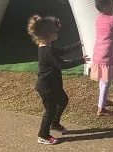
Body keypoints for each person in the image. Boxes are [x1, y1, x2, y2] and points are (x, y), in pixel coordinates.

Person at [27, 14, 89, 145]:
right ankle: (43, 135)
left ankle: (54, 124)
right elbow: (62, 65)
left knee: (63, 100)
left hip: (53, 84)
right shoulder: (47, 51)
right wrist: (81, 60)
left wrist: (77, 45)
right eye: (55, 32)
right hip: (46, 87)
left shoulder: (48, 47)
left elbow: (62, 50)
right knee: (50, 110)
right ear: (48, 34)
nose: (57, 34)